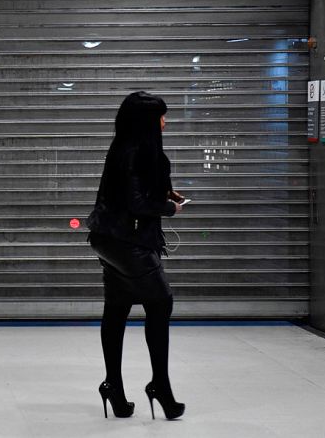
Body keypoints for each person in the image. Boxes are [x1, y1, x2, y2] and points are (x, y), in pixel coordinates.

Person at [86, 91, 187, 420]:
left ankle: (113, 386)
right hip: (128, 242)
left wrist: (163, 191)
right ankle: (160, 386)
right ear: (148, 120)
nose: (165, 121)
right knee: (160, 302)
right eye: (161, 116)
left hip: (108, 239)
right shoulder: (138, 152)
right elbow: (136, 204)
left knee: (117, 308)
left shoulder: (123, 147)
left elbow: (129, 192)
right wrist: (171, 207)